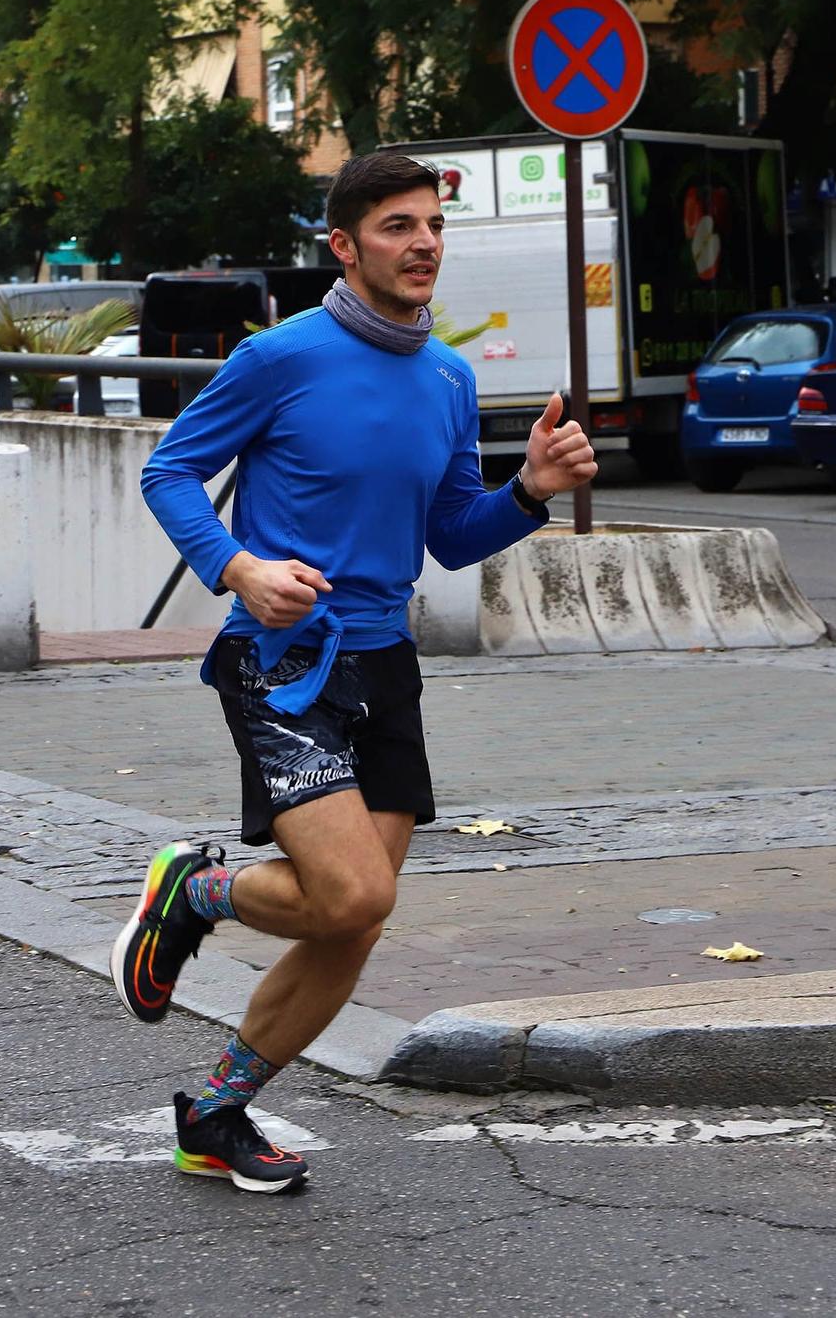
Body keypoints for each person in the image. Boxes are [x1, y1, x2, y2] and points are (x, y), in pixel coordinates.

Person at [119, 153, 598, 1192]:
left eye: (432, 225)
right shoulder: (278, 356)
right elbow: (169, 470)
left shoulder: (449, 378)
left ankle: (214, 1112)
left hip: (386, 659)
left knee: (354, 919)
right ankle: (197, 891)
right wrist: (239, 568)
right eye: (396, 226)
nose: (423, 243)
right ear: (343, 245)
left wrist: (527, 490)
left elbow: (449, 535)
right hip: (281, 659)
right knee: (351, 891)